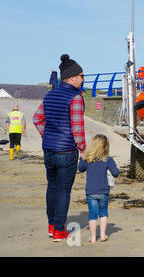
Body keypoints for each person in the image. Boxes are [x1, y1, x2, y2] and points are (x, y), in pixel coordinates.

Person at [33, 54, 86, 242]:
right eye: (81, 76)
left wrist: (46, 134)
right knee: (64, 190)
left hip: (48, 150)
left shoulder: (49, 96)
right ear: (72, 77)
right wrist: (83, 149)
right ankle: (59, 230)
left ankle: (51, 225)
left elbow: (37, 118)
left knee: (52, 188)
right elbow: (77, 128)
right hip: (67, 151)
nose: (83, 79)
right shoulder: (75, 97)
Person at [78, 134, 120, 244]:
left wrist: (81, 158)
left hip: (91, 191)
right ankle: (102, 235)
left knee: (92, 214)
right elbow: (115, 173)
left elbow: (81, 169)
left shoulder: (88, 160)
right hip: (103, 191)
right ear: (106, 147)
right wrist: (115, 168)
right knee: (103, 212)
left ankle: (92, 237)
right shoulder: (108, 159)